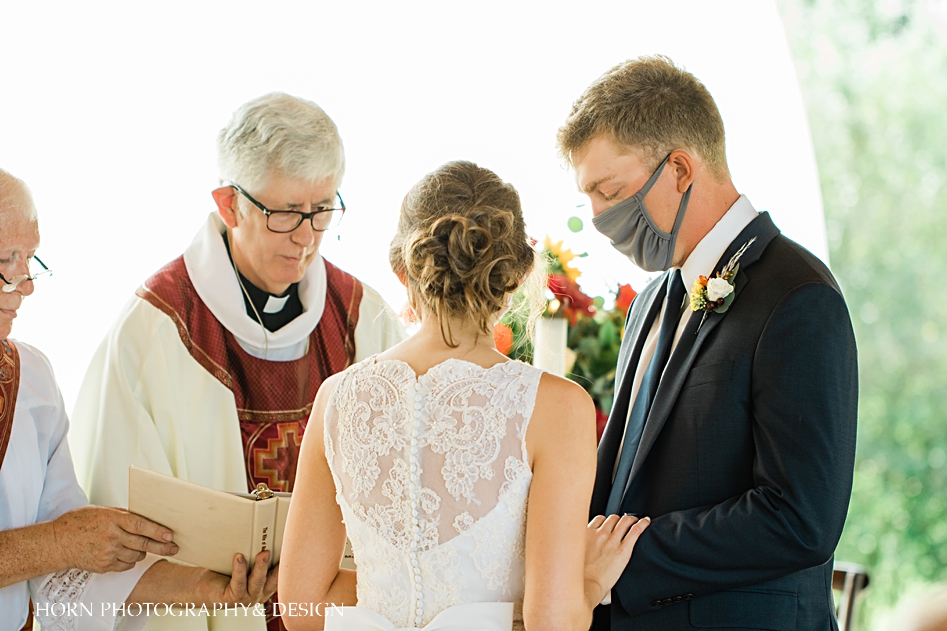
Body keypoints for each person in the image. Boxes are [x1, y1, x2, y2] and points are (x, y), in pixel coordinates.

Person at [69, 93, 406, 630]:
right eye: (286, 214)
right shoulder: (154, 333)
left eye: (322, 210)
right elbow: (115, 533)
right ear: (229, 204)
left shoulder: (363, 320)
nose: (306, 237)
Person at [278, 161, 651, 630]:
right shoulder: (556, 406)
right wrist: (590, 582)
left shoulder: (336, 399)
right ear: (516, 275)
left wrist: (390, 598)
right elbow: (551, 623)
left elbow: (299, 609)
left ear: (402, 270)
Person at [557, 55, 859, 630]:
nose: (598, 218)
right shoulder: (650, 302)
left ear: (679, 169)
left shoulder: (797, 296)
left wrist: (624, 555)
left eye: (611, 190)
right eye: (588, 197)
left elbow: (800, 518)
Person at [0, 169, 277, 631]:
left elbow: (68, 575)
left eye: (30, 261)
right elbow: (60, 545)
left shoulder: (32, 382)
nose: (25, 285)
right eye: (7, 261)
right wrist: (54, 543)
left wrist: (204, 588)